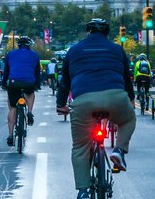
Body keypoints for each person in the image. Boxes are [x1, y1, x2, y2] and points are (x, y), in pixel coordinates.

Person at [56, 19, 136, 199]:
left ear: (88, 32)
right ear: (107, 33)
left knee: (80, 147)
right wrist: (130, 99)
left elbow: (65, 82)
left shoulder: (74, 50)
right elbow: (126, 77)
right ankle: (119, 151)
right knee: (128, 119)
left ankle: (83, 190)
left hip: (84, 101)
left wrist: (61, 104)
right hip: (115, 97)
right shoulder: (117, 49)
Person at [3, 36, 42, 147]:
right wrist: (37, 85)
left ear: (18, 45)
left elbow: (6, 71)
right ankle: (29, 111)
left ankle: (10, 135)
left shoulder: (10, 54)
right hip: (29, 81)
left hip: (14, 81)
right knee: (30, 94)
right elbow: (37, 72)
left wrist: (4, 84)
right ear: (29, 45)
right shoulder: (34, 55)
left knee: (12, 107)